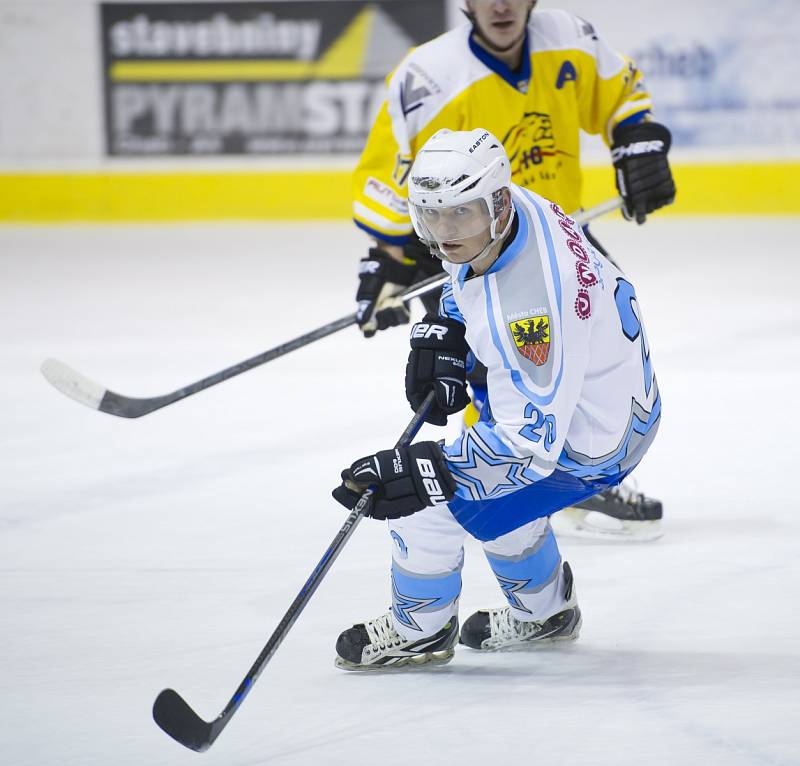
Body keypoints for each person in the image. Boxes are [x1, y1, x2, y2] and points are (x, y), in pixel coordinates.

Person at [332, 128, 661, 670]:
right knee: (497, 498)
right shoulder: (512, 213)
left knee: (427, 508)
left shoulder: (532, 310)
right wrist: (448, 326)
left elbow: (525, 451)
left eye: (459, 215)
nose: (444, 233)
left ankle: (420, 631)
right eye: (431, 215)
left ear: (496, 202)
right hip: (607, 408)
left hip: (584, 441)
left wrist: (420, 474)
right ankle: (545, 612)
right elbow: (471, 274)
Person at [350, 0, 674, 539]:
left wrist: (636, 141)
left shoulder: (569, 38)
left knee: (593, 349)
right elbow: (394, 174)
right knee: (491, 371)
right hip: (470, 246)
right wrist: (389, 261)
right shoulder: (428, 76)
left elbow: (619, 95)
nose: (501, 4)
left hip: (555, 236)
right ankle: (502, 482)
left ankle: (580, 472)